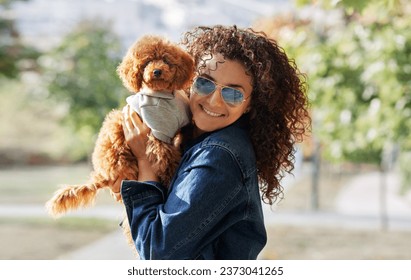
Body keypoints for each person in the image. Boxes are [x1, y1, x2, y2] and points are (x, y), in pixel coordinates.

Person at [112, 25, 310, 260]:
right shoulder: (191, 137)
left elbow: (159, 252)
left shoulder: (218, 156)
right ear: (188, 79)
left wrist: (145, 161)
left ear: (251, 105)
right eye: (204, 83)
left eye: (233, 94)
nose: (214, 101)